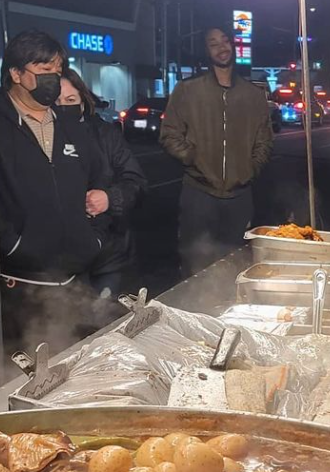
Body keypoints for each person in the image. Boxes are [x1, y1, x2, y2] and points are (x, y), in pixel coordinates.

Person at [0, 30, 106, 381]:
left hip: (72, 279)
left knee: (70, 374)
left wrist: (91, 238)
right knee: (17, 379)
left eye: (58, 68)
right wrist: (16, 247)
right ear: (16, 74)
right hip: (16, 284)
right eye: (42, 68)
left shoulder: (68, 126)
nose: (53, 77)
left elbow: (98, 181)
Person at [160, 25, 274, 275]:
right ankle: (192, 311)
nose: (221, 47)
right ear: (206, 50)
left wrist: (250, 169)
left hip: (240, 196)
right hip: (199, 193)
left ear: (233, 45)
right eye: (213, 43)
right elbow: (169, 134)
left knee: (235, 266)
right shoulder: (188, 90)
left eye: (225, 41)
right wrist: (193, 159)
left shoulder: (253, 94)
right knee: (195, 265)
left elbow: (264, 140)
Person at [56, 68, 147, 298]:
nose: (63, 106)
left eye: (70, 100)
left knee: (107, 321)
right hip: (61, 262)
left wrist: (110, 198)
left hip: (109, 255)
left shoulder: (105, 135)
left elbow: (136, 182)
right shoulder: (38, 140)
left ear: (83, 102)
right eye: (56, 101)